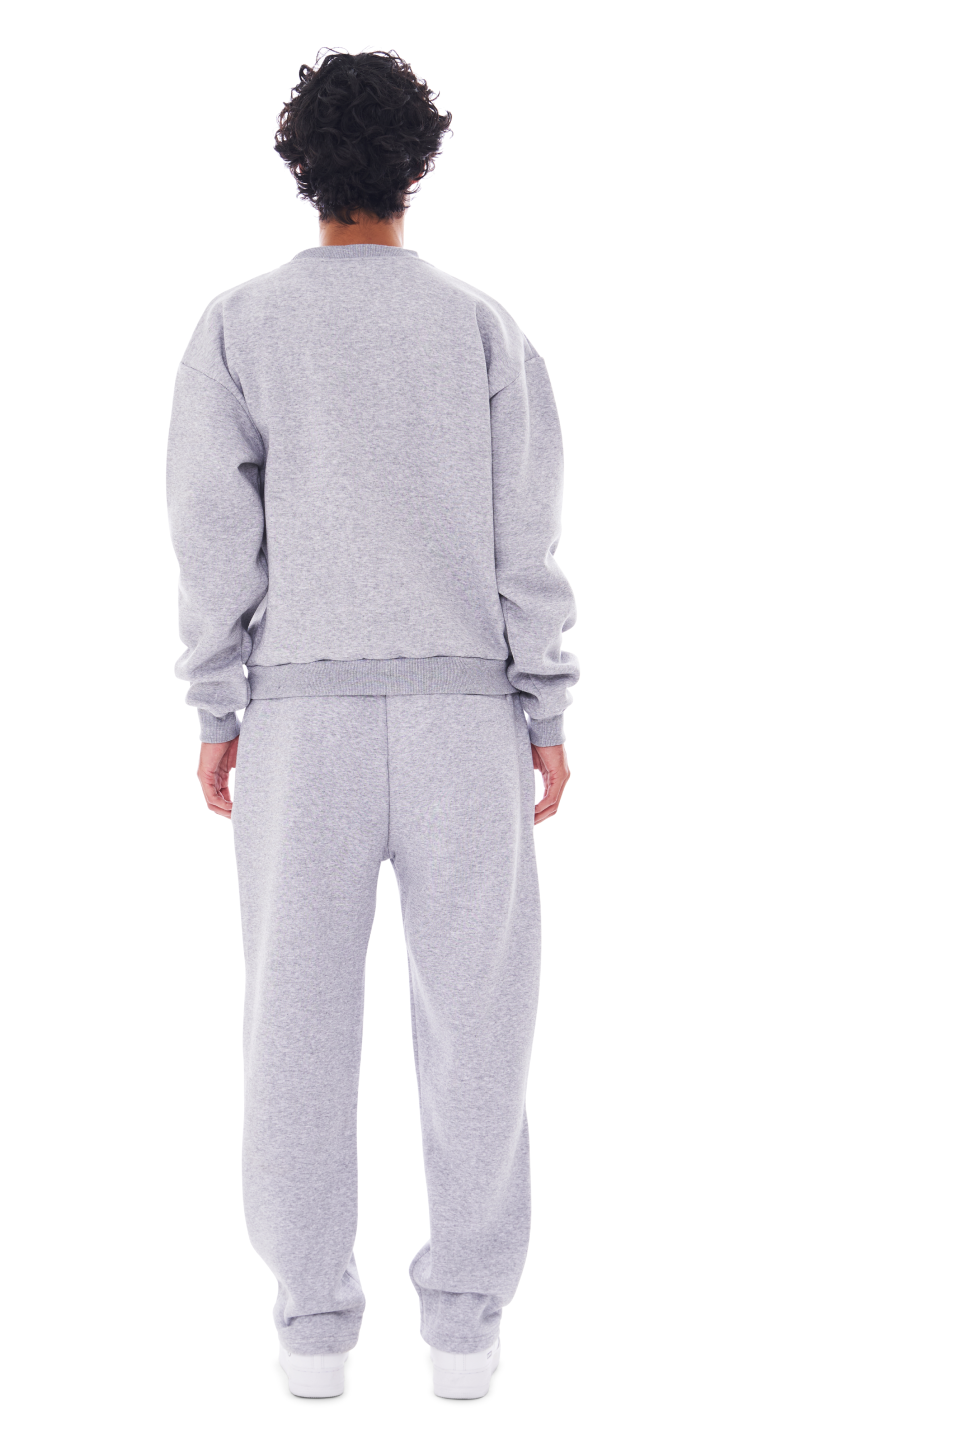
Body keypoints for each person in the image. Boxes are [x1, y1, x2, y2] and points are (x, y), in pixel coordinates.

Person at [165, 49, 578, 1401]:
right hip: (466, 718)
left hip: (302, 724)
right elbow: (527, 537)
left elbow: (213, 536)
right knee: (482, 1029)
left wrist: (218, 701)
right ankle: (465, 1331)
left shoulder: (240, 327)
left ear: (303, 169)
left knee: (292, 1026)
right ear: (419, 164)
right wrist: (544, 703)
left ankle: (311, 1332)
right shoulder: (481, 328)